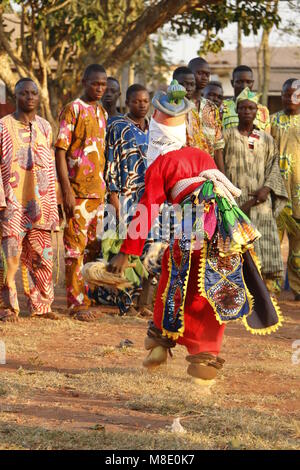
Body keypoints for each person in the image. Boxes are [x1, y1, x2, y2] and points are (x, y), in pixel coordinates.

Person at [108, 81, 283, 386]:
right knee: (213, 292)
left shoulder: (160, 164)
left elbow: (146, 209)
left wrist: (127, 252)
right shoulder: (201, 156)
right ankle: (205, 357)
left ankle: (160, 344)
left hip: (190, 232)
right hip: (225, 235)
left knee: (172, 283)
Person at [0, 78, 59, 322]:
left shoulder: (45, 126)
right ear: (16, 97)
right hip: (12, 203)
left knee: (43, 256)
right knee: (9, 257)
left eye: (34, 93)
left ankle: (41, 306)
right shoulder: (3, 126)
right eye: (24, 93)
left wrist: (54, 203)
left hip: (41, 204)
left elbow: (50, 164)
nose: (30, 97)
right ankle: (7, 307)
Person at [55, 64, 107, 321]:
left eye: (103, 84)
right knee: (74, 250)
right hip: (77, 192)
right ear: (84, 81)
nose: (99, 88)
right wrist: (65, 190)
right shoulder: (73, 109)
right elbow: (61, 151)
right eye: (95, 83)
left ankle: (87, 297)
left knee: (92, 250)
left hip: (98, 193)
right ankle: (76, 304)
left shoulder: (102, 111)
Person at [223, 88, 287, 294]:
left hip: (262, 203)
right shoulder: (226, 136)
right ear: (237, 110)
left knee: (264, 244)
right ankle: (238, 292)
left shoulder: (266, 139)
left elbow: (274, 166)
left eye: (251, 108)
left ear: (257, 111)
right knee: (234, 247)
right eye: (242, 108)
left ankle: (265, 294)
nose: (247, 111)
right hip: (234, 203)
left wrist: (266, 190)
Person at [271, 78, 300, 301]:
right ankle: (270, 290)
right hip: (276, 194)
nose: (290, 99)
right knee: (273, 242)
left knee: (298, 248)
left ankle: (298, 289)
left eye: (295, 94)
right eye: (286, 94)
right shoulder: (272, 122)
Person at [187, 59, 225, 173]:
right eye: (200, 73)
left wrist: (223, 178)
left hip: (208, 173)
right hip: (185, 172)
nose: (204, 77)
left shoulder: (211, 108)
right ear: (190, 73)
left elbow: (218, 148)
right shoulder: (179, 106)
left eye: (207, 74)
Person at [222, 65, 270, 132]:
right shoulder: (222, 107)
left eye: (248, 82)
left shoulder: (263, 111)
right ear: (232, 83)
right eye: (239, 82)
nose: (244, 86)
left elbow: (266, 138)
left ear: (252, 83)